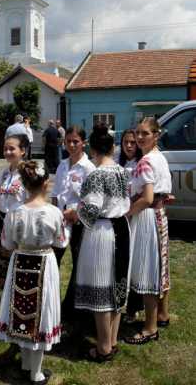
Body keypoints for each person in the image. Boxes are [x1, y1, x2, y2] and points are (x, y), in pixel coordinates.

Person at [0, 161, 70, 385]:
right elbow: (61, 243)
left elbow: (6, 242)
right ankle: (35, 373)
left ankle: (26, 363)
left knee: (22, 310)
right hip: (44, 262)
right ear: (46, 183)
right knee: (40, 313)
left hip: (19, 261)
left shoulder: (13, 211)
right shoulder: (54, 212)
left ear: (24, 184)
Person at [65, 122, 131, 362]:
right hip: (122, 227)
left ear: (92, 149)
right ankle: (111, 340)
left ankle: (103, 348)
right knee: (116, 287)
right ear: (113, 147)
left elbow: (90, 212)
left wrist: (70, 215)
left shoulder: (96, 174)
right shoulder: (122, 171)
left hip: (103, 231)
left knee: (102, 290)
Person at [125, 117, 172, 345]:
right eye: (137, 132)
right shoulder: (160, 157)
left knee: (148, 269)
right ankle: (162, 315)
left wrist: (127, 213)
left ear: (156, 135)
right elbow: (160, 193)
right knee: (160, 265)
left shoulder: (145, 161)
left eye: (145, 133)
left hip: (146, 217)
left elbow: (147, 198)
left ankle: (150, 327)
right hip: (158, 216)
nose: (139, 137)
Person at [51, 125, 95, 315]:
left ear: (84, 143)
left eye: (75, 141)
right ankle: (50, 300)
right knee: (53, 260)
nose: (71, 145)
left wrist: (71, 215)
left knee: (78, 263)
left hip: (78, 222)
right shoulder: (63, 165)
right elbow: (55, 193)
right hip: (60, 220)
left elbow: (88, 201)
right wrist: (55, 213)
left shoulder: (88, 168)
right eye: (68, 141)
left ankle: (72, 305)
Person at [0, 134, 29, 289]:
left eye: (12, 149)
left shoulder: (28, 174)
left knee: (19, 268)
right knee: (3, 269)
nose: (8, 152)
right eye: (5, 149)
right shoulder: (3, 175)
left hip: (20, 226)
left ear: (23, 151)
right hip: (2, 224)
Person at [116, 128, 144, 324]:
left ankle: (134, 307)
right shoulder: (118, 161)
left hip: (135, 216)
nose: (128, 146)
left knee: (135, 261)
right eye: (126, 142)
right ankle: (118, 300)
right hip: (119, 216)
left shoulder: (142, 163)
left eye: (132, 142)